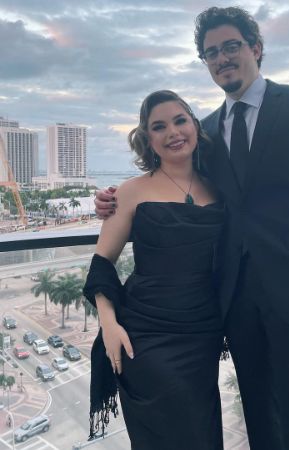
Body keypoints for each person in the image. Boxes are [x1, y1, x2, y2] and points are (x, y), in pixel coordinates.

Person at [95, 6, 289, 450]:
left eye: (231, 46)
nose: (221, 58)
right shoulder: (205, 131)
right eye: (211, 52)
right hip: (234, 302)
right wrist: (111, 199)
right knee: (258, 410)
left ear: (255, 48)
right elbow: (174, 182)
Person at [84, 90, 224, 450]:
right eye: (159, 127)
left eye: (180, 120)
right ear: (147, 139)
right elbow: (102, 263)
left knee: (203, 433)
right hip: (145, 337)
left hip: (202, 335)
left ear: (195, 126)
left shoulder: (220, 188)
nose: (173, 132)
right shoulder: (130, 192)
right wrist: (109, 325)